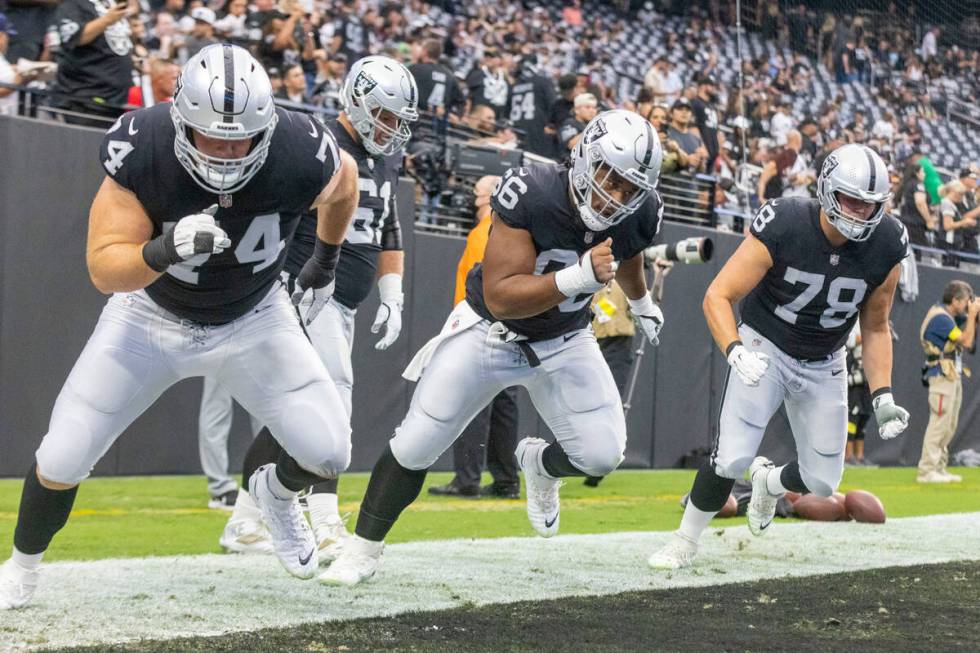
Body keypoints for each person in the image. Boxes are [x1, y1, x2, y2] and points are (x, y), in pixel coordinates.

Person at [0, 44, 360, 611]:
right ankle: (21, 567)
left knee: (329, 450)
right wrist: (162, 249)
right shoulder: (142, 145)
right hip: (151, 316)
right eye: (210, 135)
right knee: (64, 456)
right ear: (179, 118)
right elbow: (103, 267)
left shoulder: (300, 146)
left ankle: (274, 493)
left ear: (267, 126)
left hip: (255, 316)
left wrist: (326, 260)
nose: (225, 150)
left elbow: (345, 182)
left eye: (240, 137)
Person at [321, 110, 666, 586]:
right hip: (490, 331)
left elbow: (627, 252)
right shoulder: (533, 191)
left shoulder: (641, 211)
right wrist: (577, 277)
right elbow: (504, 294)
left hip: (564, 340)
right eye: (611, 177)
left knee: (602, 453)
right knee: (416, 442)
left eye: (630, 188)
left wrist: (642, 300)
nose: (617, 196)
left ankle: (538, 465)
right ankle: (362, 549)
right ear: (585, 158)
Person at [649, 144, 910, 570]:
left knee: (824, 483)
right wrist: (734, 349)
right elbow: (718, 294)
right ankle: (685, 539)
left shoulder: (887, 242)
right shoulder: (786, 221)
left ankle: (769, 482)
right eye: (851, 201)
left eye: (870, 205)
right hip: (764, 346)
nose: (860, 214)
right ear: (826, 189)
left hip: (825, 359)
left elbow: (877, 326)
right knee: (731, 456)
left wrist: (881, 395)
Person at [220, 55, 418, 560]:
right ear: (357, 100)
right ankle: (326, 521)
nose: (392, 129)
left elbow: (386, 226)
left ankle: (245, 522)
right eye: (386, 115)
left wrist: (392, 291)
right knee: (333, 405)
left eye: (399, 120)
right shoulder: (320, 145)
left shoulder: (385, 158)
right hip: (308, 290)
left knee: (296, 416)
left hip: (345, 302)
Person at [428, 175, 522, 500]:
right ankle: (507, 479)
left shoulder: (483, 233)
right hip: (509, 325)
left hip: (481, 323)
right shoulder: (511, 233)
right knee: (505, 404)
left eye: (477, 191)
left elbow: (484, 282)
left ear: (488, 198)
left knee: (471, 401)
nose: (473, 196)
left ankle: (467, 478)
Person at [916, 281, 978, 483]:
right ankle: (927, 471)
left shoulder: (949, 317)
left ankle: (938, 467)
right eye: (966, 301)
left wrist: (972, 317)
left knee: (949, 425)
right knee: (939, 423)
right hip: (941, 375)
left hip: (951, 374)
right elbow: (967, 342)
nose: (968, 305)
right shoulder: (941, 318)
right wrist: (971, 316)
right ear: (955, 300)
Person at [50, 0, 134, 125]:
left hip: (116, 102)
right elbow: (75, 37)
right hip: (86, 102)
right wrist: (107, 20)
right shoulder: (73, 4)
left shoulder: (110, 4)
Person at [507, 54, 557, 159]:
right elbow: (554, 105)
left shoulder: (512, 86)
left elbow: (507, 112)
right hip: (539, 132)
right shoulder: (543, 82)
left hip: (517, 131)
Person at [844, 322, 873, 466]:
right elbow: (848, 342)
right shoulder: (852, 320)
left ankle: (859, 457)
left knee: (864, 418)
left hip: (868, 382)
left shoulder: (874, 320)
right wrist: (867, 337)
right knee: (852, 419)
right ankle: (848, 457)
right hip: (855, 383)